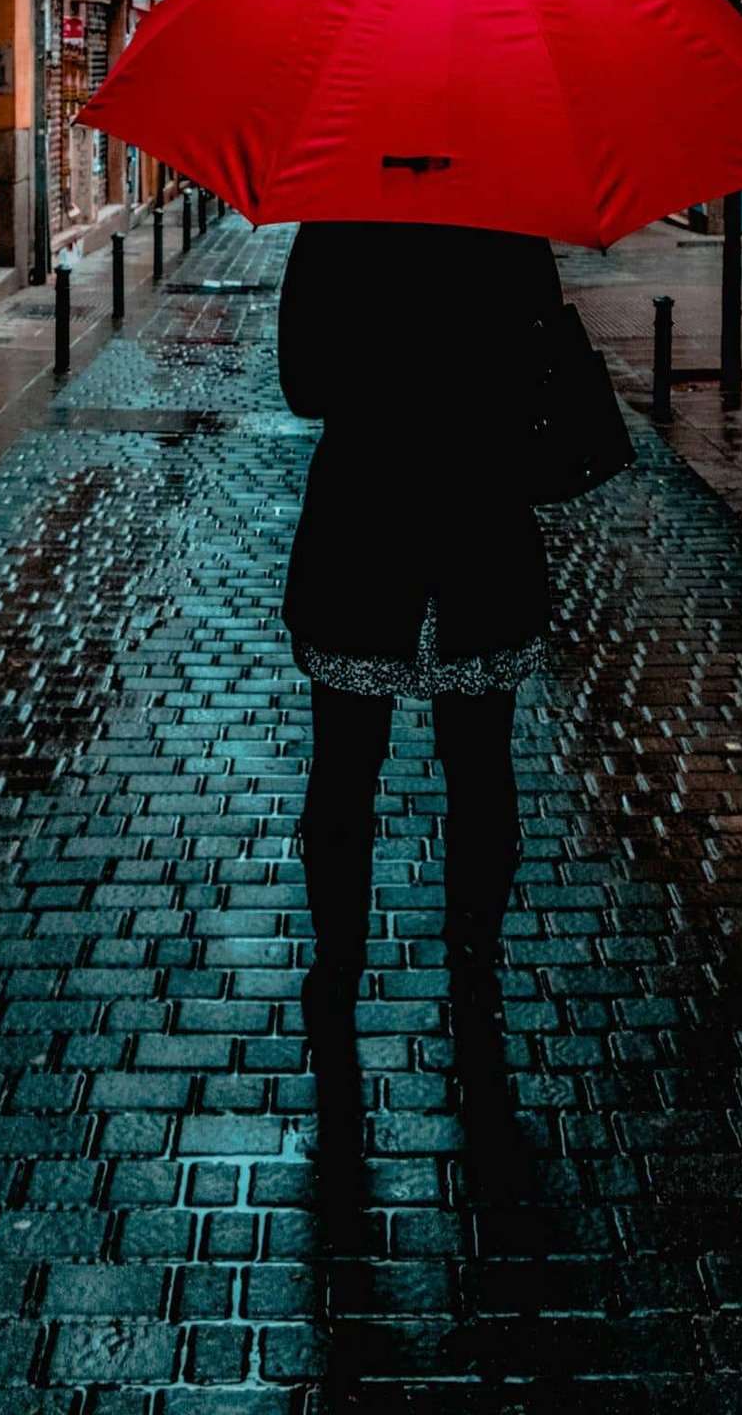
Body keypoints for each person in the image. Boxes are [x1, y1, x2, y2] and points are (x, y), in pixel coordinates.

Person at [278, 219, 562, 1085]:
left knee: (345, 773)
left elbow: (303, 385)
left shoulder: (336, 226)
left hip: (366, 533)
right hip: (478, 538)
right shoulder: (514, 227)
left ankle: (336, 973)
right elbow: (542, 375)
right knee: (480, 769)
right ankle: (473, 966)